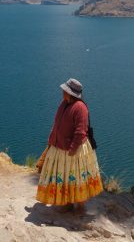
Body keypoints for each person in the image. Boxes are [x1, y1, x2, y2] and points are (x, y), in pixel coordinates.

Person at [35, 78, 102, 213]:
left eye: (64, 90)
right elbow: (57, 123)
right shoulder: (64, 103)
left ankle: (80, 206)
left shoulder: (80, 108)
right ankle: (67, 202)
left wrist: (72, 149)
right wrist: (51, 140)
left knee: (75, 177)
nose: (62, 92)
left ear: (70, 93)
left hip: (74, 151)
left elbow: (80, 131)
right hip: (59, 147)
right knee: (65, 177)